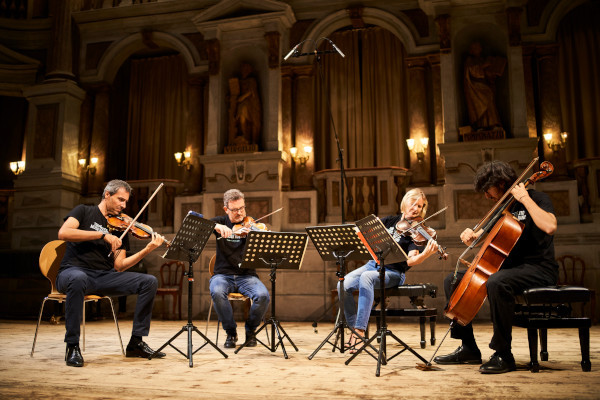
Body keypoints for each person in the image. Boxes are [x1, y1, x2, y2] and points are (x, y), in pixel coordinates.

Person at [434, 160, 558, 373]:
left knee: (497, 281)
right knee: (453, 280)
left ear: (501, 183)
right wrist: (473, 235)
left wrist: (526, 199)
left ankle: (503, 354)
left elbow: (550, 225)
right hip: (510, 270)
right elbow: (491, 234)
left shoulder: (537, 199)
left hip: (538, 268)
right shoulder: (504, 207)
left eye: (487, 190)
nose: (486, 196)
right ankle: (469, 348)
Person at [57, 179, 166, 367]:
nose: (124, 206)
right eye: (120, 200)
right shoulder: (83, 211)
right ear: (107, 194)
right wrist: (102, 235)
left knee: (149, 281)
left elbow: (120, 265)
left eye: (126, 202)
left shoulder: (121, 227)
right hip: (72, 272)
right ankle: (72, 345)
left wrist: (147, 250)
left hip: (103, 277)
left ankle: (136, 342)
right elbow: (64, 233)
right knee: (78, 277)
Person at [339, 188, 440, 351]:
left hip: (393, 273)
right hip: (372, 265)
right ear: (405, 202)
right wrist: (363, 231)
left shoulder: (418, 231)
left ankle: (359, 332)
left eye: (420, 206)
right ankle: (353, 329)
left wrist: (426, 254)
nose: (416, 208)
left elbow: (411, 260)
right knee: (343, 284)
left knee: (366, 278)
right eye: (413, 203)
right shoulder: (391, 221)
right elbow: (368, 235)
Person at [210, 189, 270, 348]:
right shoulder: (221, 221)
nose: (240, 213)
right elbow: (202, 224)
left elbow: (264, 244)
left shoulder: (252, 222)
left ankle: (250, 330)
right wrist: (216, 226)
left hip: (247, 276)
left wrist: (256, 236)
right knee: (216, 291)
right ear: (226, 209)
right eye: (235, 210)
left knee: (263, 295)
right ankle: (231, 332)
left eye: (242, 208)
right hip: (222, 275)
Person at [464, 41, 506, 130]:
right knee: (484, 100)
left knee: (490, 99)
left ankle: (493, 124)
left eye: (479, 47)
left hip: (484, 84)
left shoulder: (483, 59)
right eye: (476, 48)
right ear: (472, 50)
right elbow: (472, 71)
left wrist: (493, 71)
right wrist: (483, 66)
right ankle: (480, 125)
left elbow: (487, 74)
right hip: (475, 87)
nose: (479, 49)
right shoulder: (470, 60)